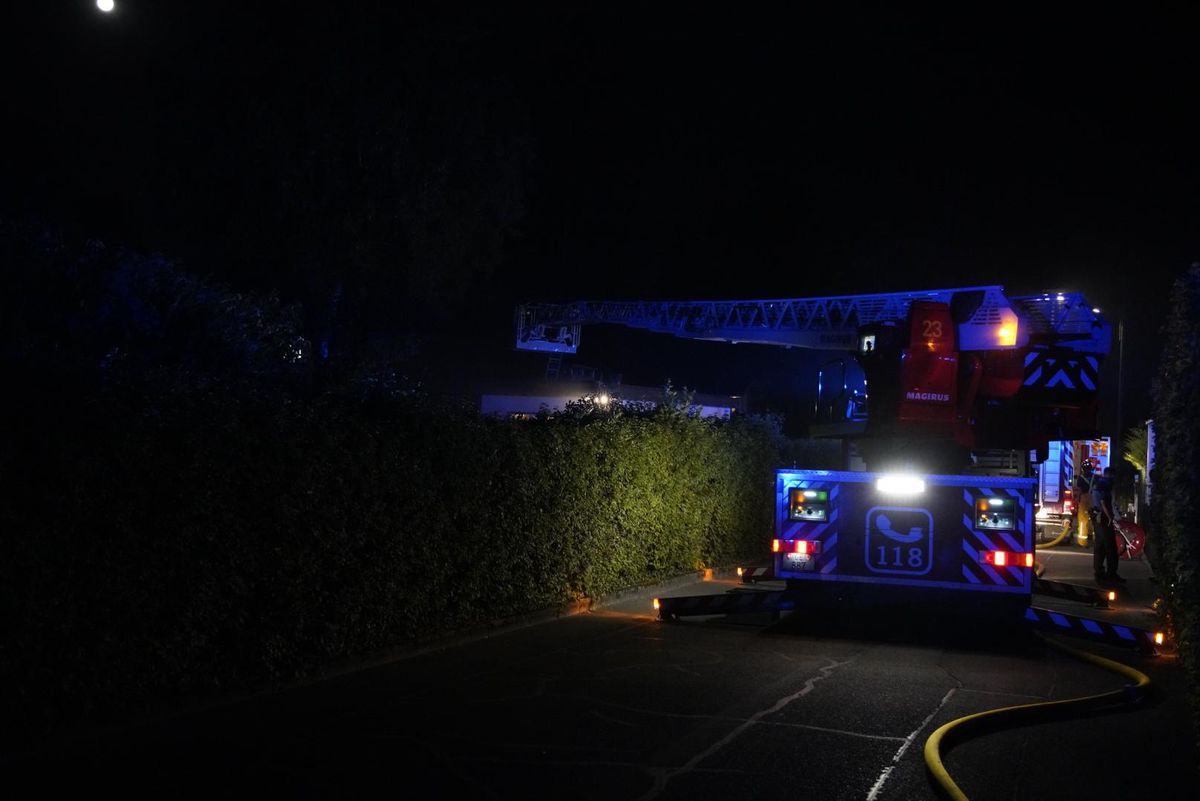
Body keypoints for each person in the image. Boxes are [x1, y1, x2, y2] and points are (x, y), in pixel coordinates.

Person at [1092, 466, 1124, 585]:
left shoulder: (1098, 483)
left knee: (1099, 546)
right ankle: (1112, 574)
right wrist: (1111, 517)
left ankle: (1099, 573)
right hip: (1104, 519)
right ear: (1111, 475)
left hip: (1096, 518)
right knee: (1111, 548)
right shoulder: (1106, 484)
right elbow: (1103, 502)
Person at [1073, 457, 1096, 547]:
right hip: (1093, 498)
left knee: (1083, 520)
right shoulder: (1095, 477)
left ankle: (1082, 542)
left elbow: (1079, 490)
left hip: (1083, 498)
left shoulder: (1080, 478)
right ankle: (1097, 541)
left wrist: (1077, 500)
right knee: (1095, 520)